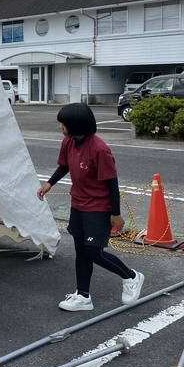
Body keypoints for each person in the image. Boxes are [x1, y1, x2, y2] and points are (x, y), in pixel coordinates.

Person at [36, 103, 144, 312]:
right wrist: (49, 184)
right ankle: (83, 296)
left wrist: (116, 213)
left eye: (64, 123)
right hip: (78, 203)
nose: (61, 127)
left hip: (98, 206)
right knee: (81, 250)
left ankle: (131, 276)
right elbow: (65, 165)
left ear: (76, 125)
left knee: (94, 251)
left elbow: (112, 182)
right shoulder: (68, 142)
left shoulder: (99, 149)